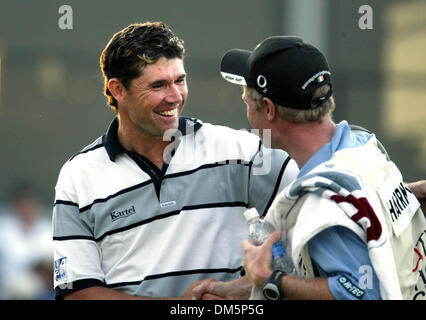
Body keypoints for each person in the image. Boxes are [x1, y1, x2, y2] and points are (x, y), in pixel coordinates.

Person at [51, 22, 300, 300]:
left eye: (179, 80)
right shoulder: (79, 175)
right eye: (158, 85)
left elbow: (313, 214)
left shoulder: (241, 151)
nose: (175, 96)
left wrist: (260, 283)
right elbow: (77, 294)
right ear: (118, 89)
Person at [198, 36, 426, 300]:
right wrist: (245, 290)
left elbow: (361, 294)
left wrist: (269, 279)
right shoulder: (362, 145)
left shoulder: (323, 203)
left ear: (268, 109)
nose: (245, 108)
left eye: (245, 100)